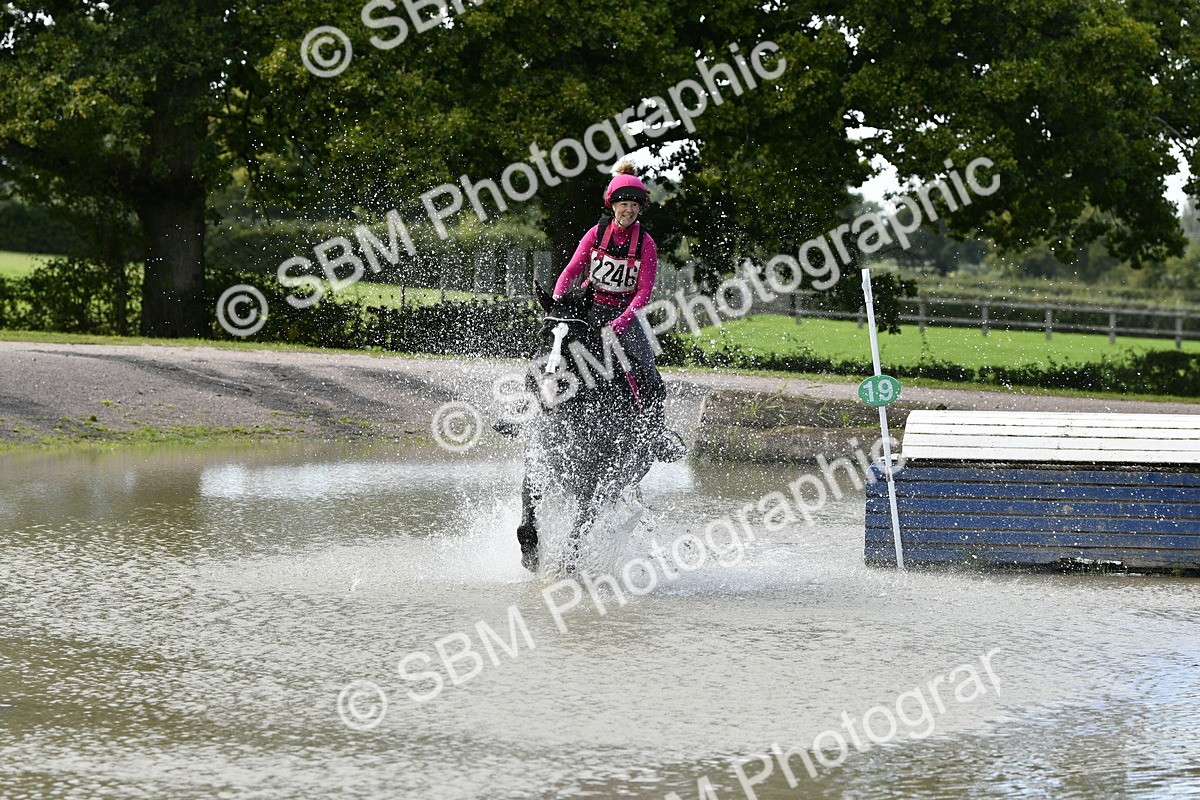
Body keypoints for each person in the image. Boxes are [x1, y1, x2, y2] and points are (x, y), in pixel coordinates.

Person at [550, 161, 683, 462]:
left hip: (627, 315)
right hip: (590, 309)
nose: (629, 211)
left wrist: (622, 322)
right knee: (553, 351)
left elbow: (644, 291)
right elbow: (571, 271)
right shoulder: (596, 234)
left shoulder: (646, 243)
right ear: (612, 205)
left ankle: (655, 433)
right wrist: (558, 302)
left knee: (648, 372)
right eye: (624, 205)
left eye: (635, 206)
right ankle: (527, 409)